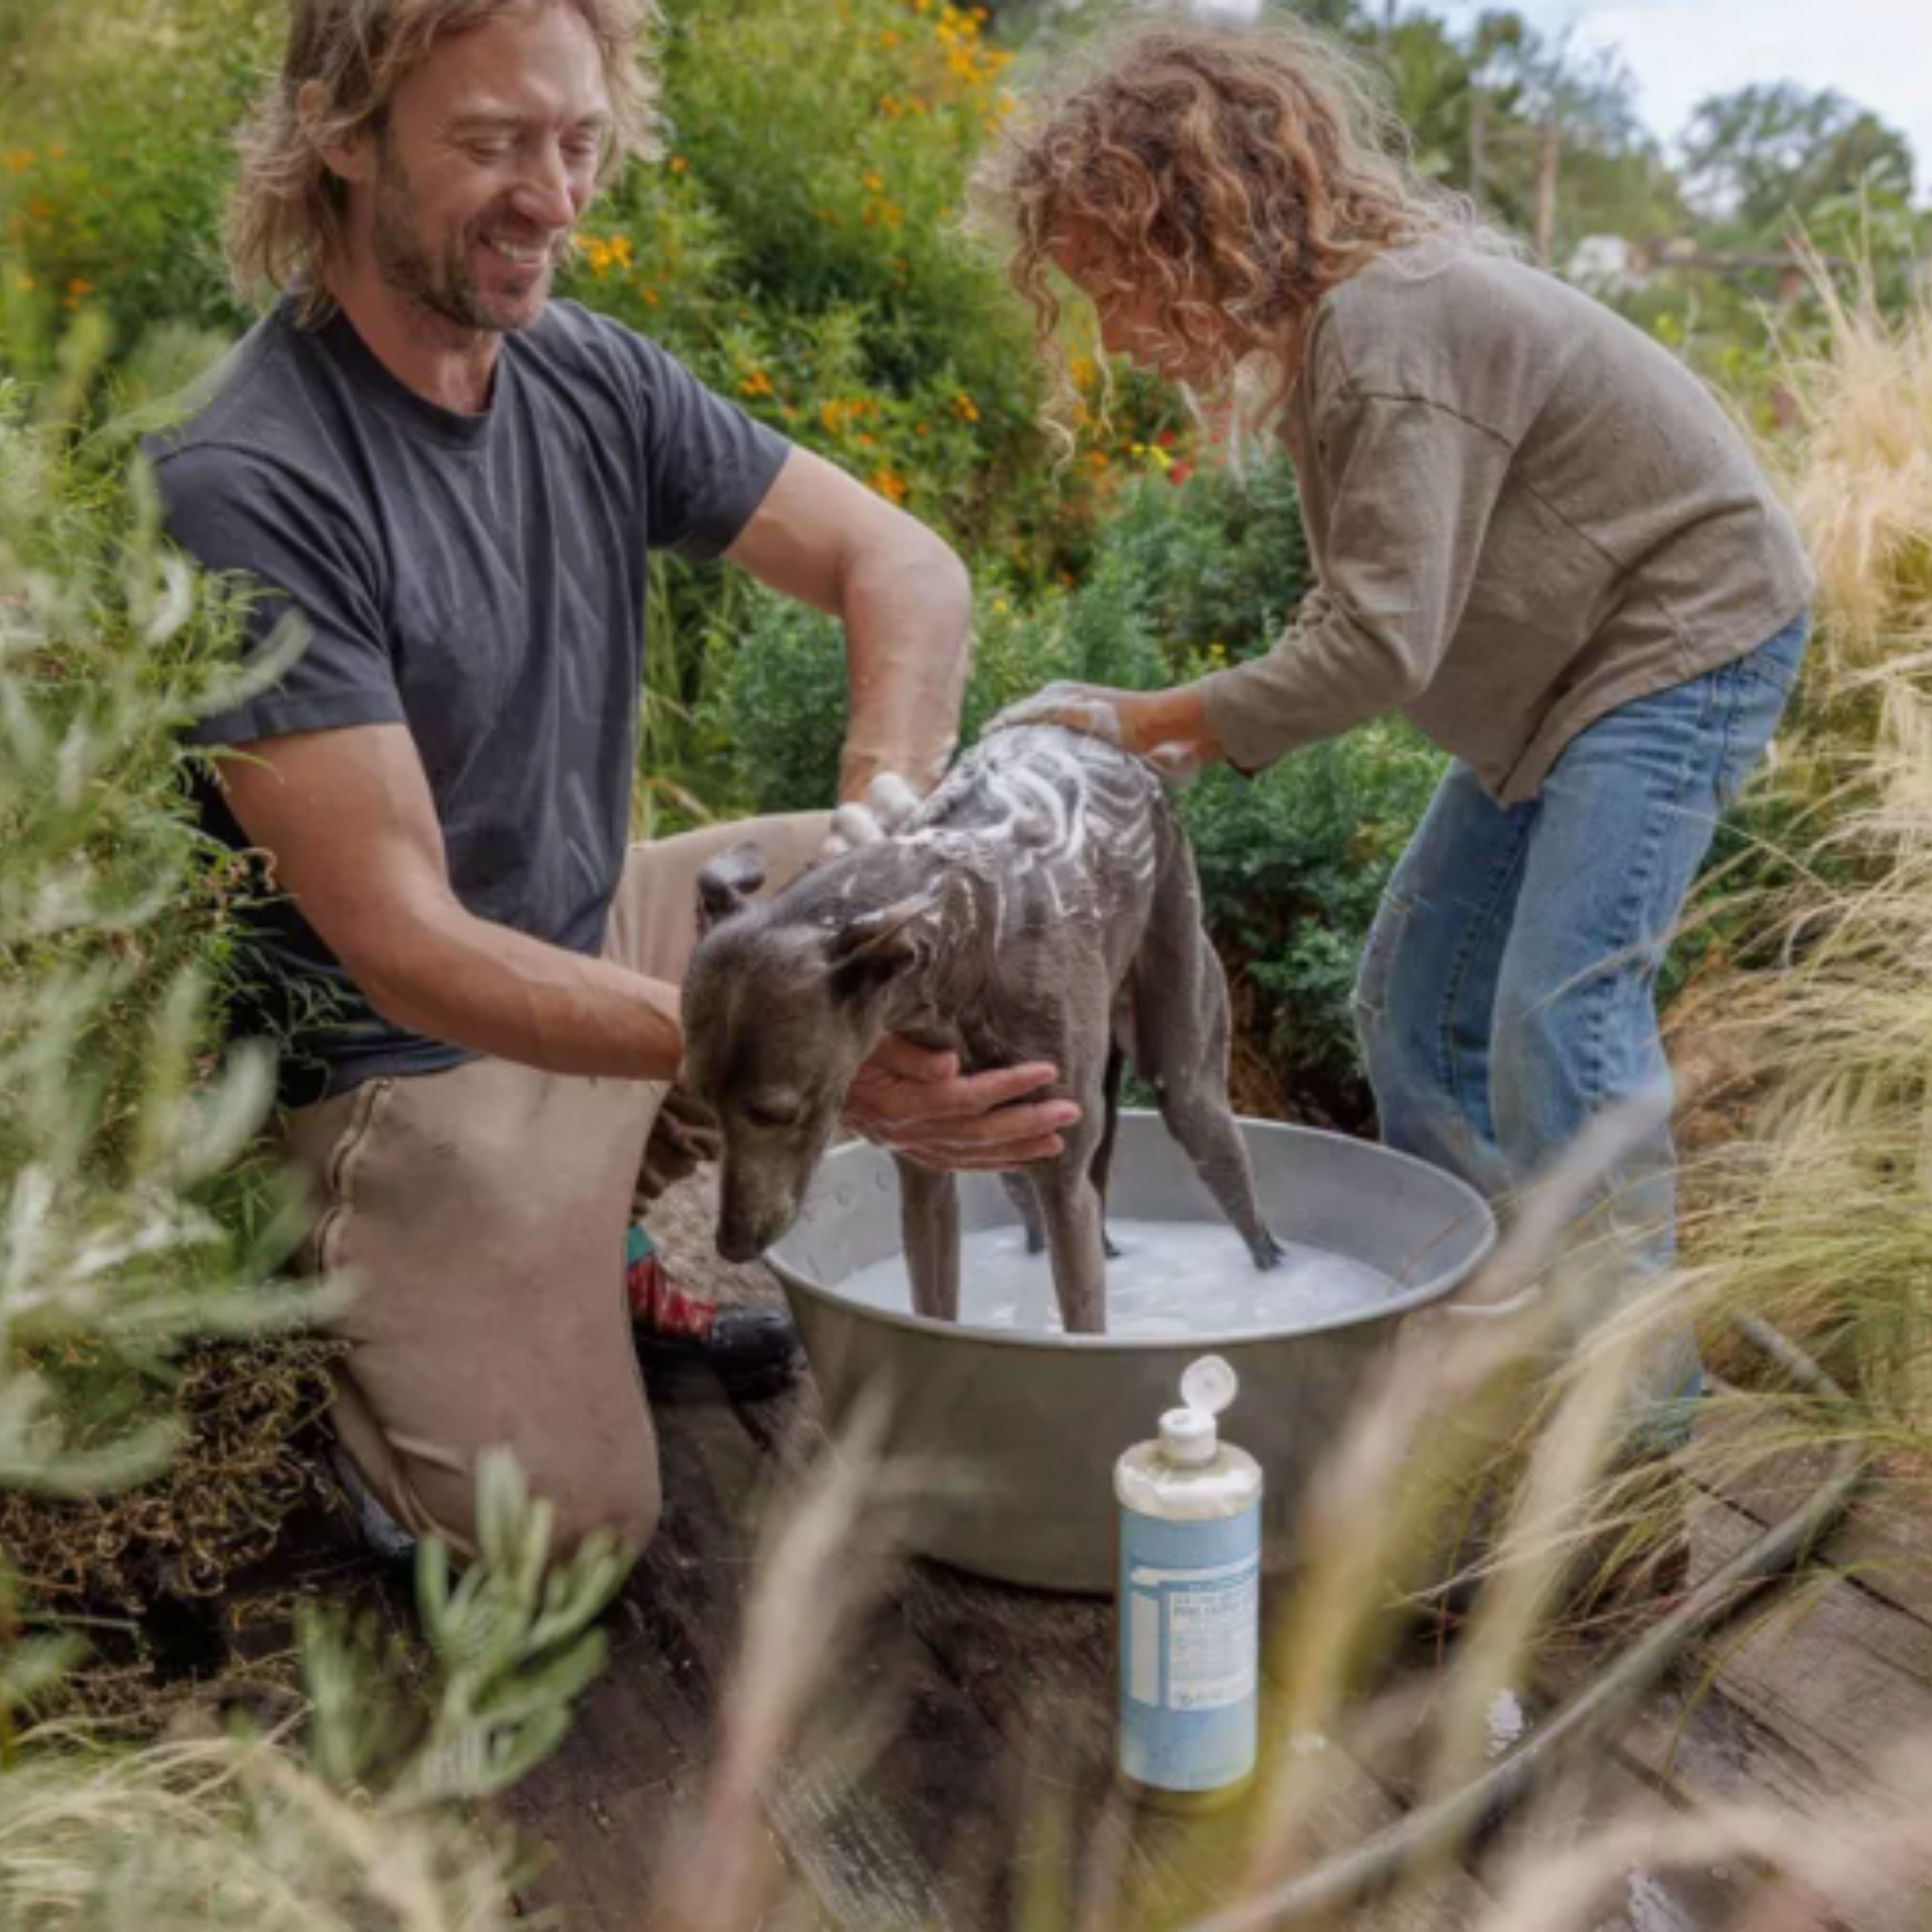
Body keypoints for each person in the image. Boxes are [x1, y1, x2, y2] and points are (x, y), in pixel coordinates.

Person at [150, 0, 1081, 1562]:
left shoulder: (586, 376)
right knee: (567, 1533)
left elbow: (899, 565)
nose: (555, 195)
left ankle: (605, 1238)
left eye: (578, 141)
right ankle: (340, 1359)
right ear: (339, 134)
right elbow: (406, 943)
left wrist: (883, 812)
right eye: (492, 143)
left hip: (593, 946)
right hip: (396, 1072)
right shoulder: (248, 478)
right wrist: (796, 1044)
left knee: (948, 897)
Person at [974, 18, 1814, 1442]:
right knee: (1411, 1010)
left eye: (1111, 282)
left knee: (1561, 1017)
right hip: (1571, 676)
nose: (1112, 330)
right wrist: (1189, 739)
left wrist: (1145, 718)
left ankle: (1636, 1442)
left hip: (1681, 639)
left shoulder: (1387, 329)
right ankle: (1497, 1328)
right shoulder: (1345, 336)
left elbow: (1376, 642)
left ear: (1192, 221)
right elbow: (1368, 599)